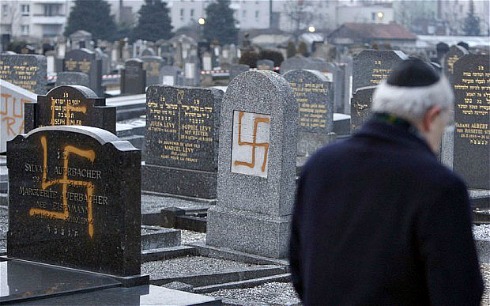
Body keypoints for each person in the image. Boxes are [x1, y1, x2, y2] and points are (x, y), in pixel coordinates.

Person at [289, 59, 484, 305]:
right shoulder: (440, 186)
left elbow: (299, 266)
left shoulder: (320, 165)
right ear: (432, 116)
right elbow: (459, 292)